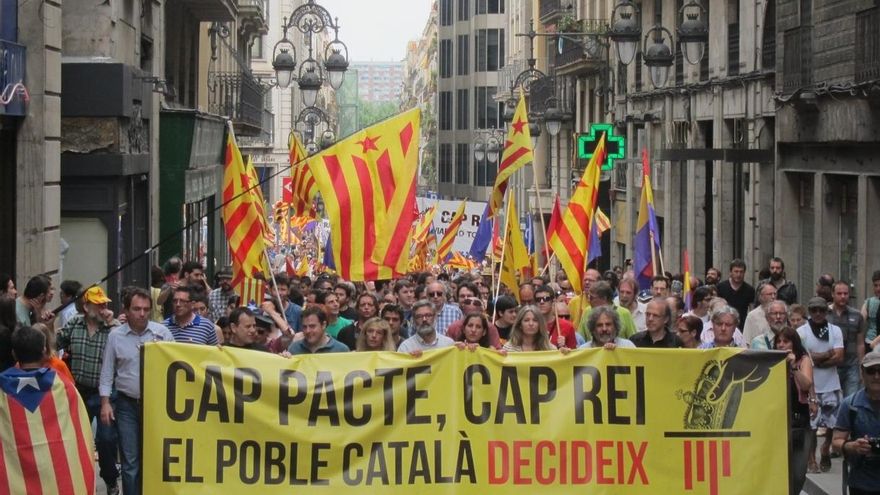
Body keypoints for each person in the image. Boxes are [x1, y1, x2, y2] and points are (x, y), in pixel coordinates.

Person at [1, 326, 96, 494]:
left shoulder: (2, 390)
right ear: (44, 350)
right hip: (58, 481)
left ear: (14, 354)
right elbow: (80, 431)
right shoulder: (63, 386)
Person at [100, 287, 174, 495]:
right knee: (130, 463)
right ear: (126, 310)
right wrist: (105, 403)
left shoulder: (163, 333)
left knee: (154, 459)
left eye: (146, 309)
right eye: (136, 309)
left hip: (157, 405)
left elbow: (177, 367)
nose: (142, 314)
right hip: (127, 405)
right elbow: (107, 372)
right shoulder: (115, 337)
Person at [56, 284, 121, 493]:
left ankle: (110, 479)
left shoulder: (113, 328)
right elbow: (53, 343)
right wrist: (46, 324)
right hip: (79, 391)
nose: (103, 308)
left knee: (106, 439)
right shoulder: (74, 323)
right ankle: (75, 481)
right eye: (98, 304)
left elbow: (124, 348)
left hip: (106, 394)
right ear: (86, 307)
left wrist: (112, 324)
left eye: (104, 304)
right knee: (74, 438)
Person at [798, 296, 845, 474]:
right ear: (809, 312)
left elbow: (839, 357)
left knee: (833, 425)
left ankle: (826, 448)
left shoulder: (835, 331)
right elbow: (804, 357)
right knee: (812, 427)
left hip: (832, 386)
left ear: (827, 312)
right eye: (814, 310)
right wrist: (827, 354)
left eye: (821, 310)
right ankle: (811, 459)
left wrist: (814, 358)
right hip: (812, 388)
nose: (818, 313)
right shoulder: (802, 332)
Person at [774, 326, 817, 494]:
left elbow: (806, 384)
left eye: (786, 341)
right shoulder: (771, 361)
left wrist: (793, 367)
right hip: (777, 423)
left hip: (799, 421)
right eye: (778, 342)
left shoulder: (803, 360)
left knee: (798, 473)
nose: (781, 345)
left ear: (794, 343)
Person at [832, 352, 880, 494]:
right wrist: (852, 446)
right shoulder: (850, 405)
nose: (876, 376)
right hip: (861, 483)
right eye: (871, 371)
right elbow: (836, 442)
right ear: (862, 373)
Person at [828, 281, 866, 398]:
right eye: (839, 293)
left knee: (851, 400)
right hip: (831, 367)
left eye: (846, 293)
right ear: (833, 294)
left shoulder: (857, 315)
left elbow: (860, 344)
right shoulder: (825, 314)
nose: (843, 296)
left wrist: (861, 367)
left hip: (852, 366)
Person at [534, 285, 576, 349]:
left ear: (553, 301)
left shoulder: (567, 326)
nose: (541, 302)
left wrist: (564, 347)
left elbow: (573, 354)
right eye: (538, 299)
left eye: (546, 298)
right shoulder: (530, 325)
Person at [715, 259, 756, 325]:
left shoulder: (750, 290)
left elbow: (752, 309)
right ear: (730, 272)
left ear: (744, 273)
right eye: (736, 271)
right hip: (724, 324)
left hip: (742, 325)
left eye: (741, 272)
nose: (738, 274)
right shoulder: (720, 287)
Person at [861, 270, 880, 353]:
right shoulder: (869, 302)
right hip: (870, 341)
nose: (878, 288)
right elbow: (860, 320)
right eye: (876, 285)